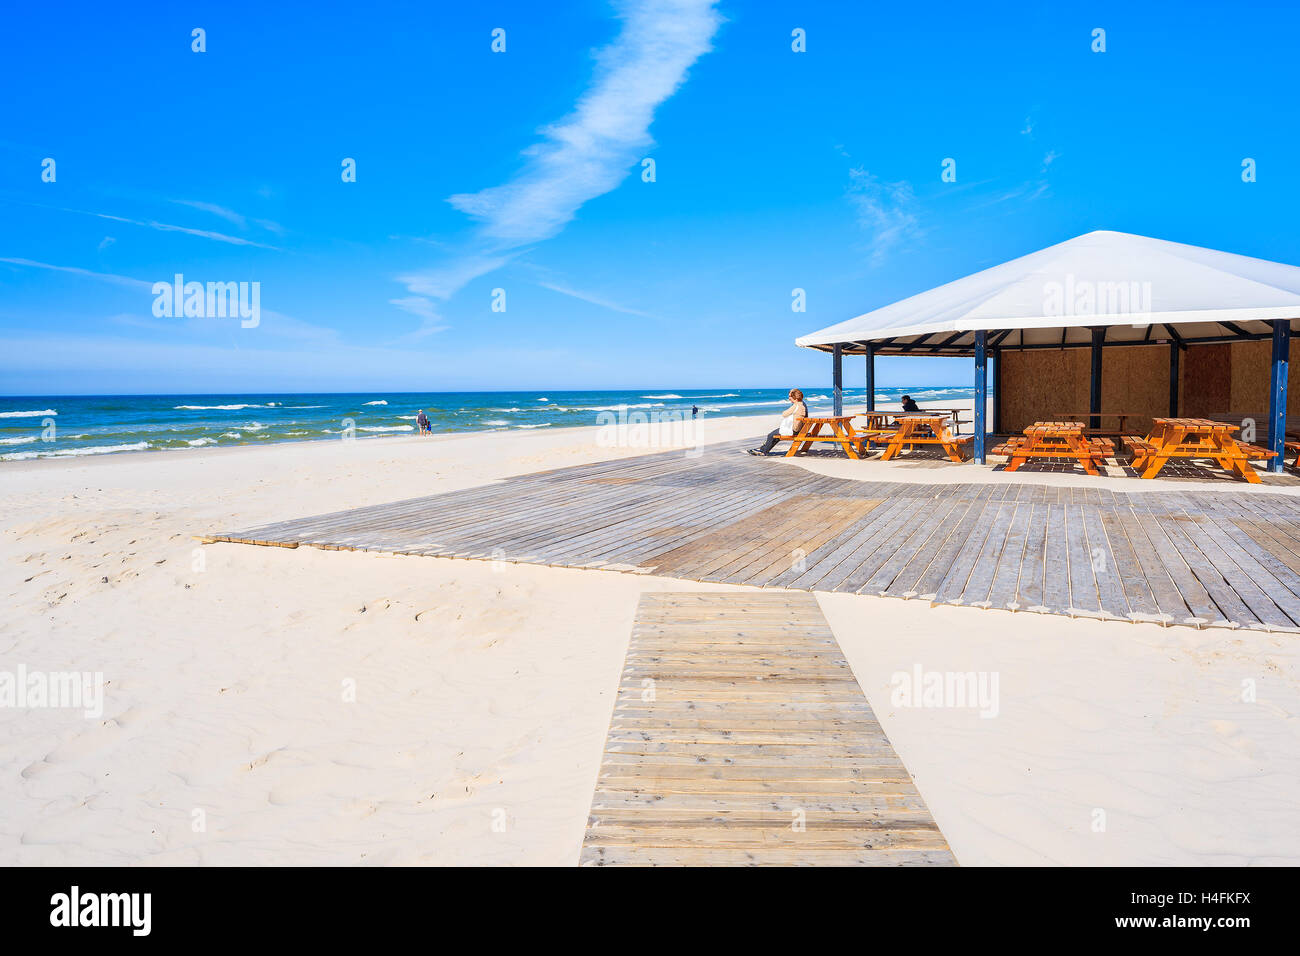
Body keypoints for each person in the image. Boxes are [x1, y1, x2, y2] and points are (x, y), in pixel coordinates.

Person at [748, 389, 807, 456]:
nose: (789, 398)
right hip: (799, 430)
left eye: (790, 396)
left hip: (793, 430)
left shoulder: (796, 405)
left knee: (771, 435)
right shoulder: (802, 405)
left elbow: (784, 414)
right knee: (774, 436)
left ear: (795, 398)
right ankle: (763, 449)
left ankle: (763, 451)